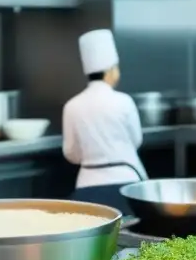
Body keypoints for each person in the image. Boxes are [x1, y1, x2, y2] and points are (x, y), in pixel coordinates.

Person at [62, 29, 146, 189]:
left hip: (87, 184)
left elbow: (71, 153)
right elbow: (136, 140)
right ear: (111, 71)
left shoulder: (71, 106)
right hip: (127, 180)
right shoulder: (124, 101)